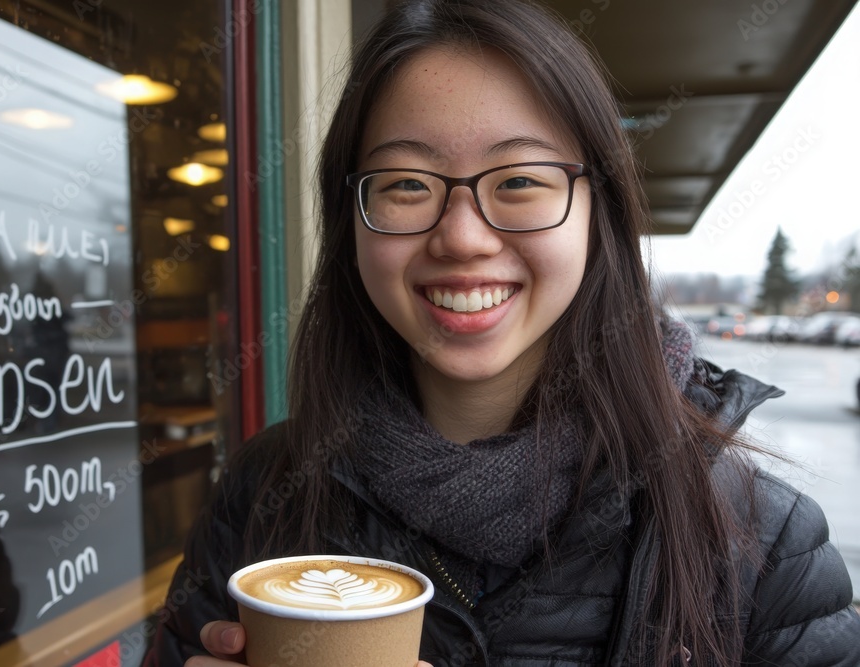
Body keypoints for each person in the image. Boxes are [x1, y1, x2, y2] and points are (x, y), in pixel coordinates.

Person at [143, 0, 860, 665]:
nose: (461, 237)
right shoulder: (262, 491)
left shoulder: (761, 539)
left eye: (518, 180)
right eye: (406, 184)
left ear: (597, 211)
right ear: (351, 224)